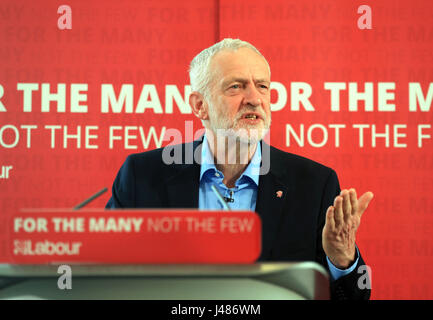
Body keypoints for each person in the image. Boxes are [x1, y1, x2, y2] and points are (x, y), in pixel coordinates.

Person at [106, 38, 373, 300]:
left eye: (262, 86)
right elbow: (105, 278)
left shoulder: (314, 184)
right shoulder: (143, 176)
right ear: (200, 105)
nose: (255, 99)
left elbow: (353, 297)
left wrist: (341, 260)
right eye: (236, 87)